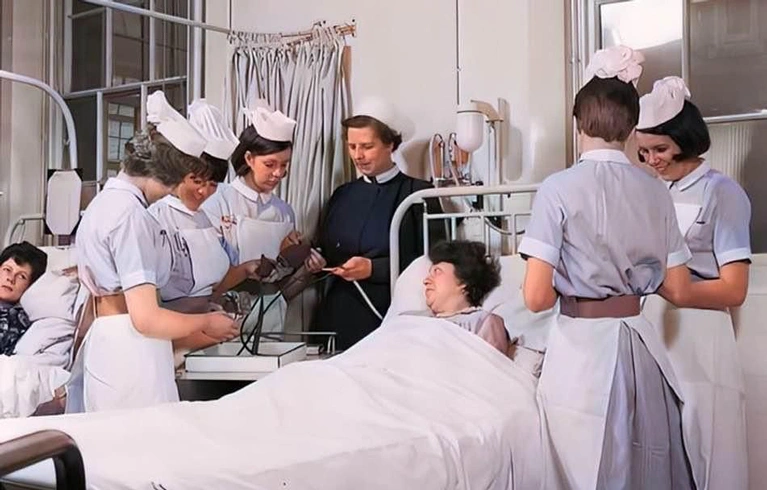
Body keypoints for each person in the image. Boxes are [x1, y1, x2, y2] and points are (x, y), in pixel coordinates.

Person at [519, 46, 696, 489]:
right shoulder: (656, 190)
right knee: (645, 467)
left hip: (583, 351)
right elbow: (678, 287)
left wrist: (577, 273)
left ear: (578, 123)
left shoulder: (557, 189)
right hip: (640, 346)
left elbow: (535, 298)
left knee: (584, 467)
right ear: (633, 128)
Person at [68, 91, 238, 413]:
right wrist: (206, 322)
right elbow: (146, 318)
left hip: (109, 340)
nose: (172, 193)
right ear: (164, 176)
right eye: (174, 185)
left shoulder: (104, 204)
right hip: (131, 349)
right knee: (143, 437)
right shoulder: (131, 217)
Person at [636, 76, 749, 489]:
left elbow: (734, 289)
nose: (652, 160)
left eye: (660, 149)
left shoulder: (723, 193)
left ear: (685, 140)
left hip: (702, 330)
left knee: (711, 442)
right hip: (656, 328)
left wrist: (679, 292)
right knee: (661, 445)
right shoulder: (652, 192)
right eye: (644, 151)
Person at [310, 97, 446, 350]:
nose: (358, 155)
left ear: (390, 144)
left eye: (367, 146)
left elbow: (435, 261)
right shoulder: (342, 195)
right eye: (352, 146)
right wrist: (314, 259)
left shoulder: (418, 195)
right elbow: (325, 248)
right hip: (337, 316)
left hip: (392, 315)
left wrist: (374, 269)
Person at [202, 100, 315, 334]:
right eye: (270, 164)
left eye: (284, 165)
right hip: (224, 310)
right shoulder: (217, 201)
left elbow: (283, 283)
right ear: (249, 159)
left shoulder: (284, 211)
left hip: (271, 313)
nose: (278, 173)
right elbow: (207, 275)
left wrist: (303, 265)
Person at [148, 99, 238, 361]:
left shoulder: (205, 219)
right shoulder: (157, 217)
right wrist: (202, 321)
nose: (204, 191)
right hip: (171, 341)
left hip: (204, 335)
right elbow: (152, 305)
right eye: (197, 181)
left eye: (213, 185)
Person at [0, 242, 47, 355]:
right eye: (7, 270)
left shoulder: (15, 320)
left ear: (30, 286)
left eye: (22, 276)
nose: (11, 279)